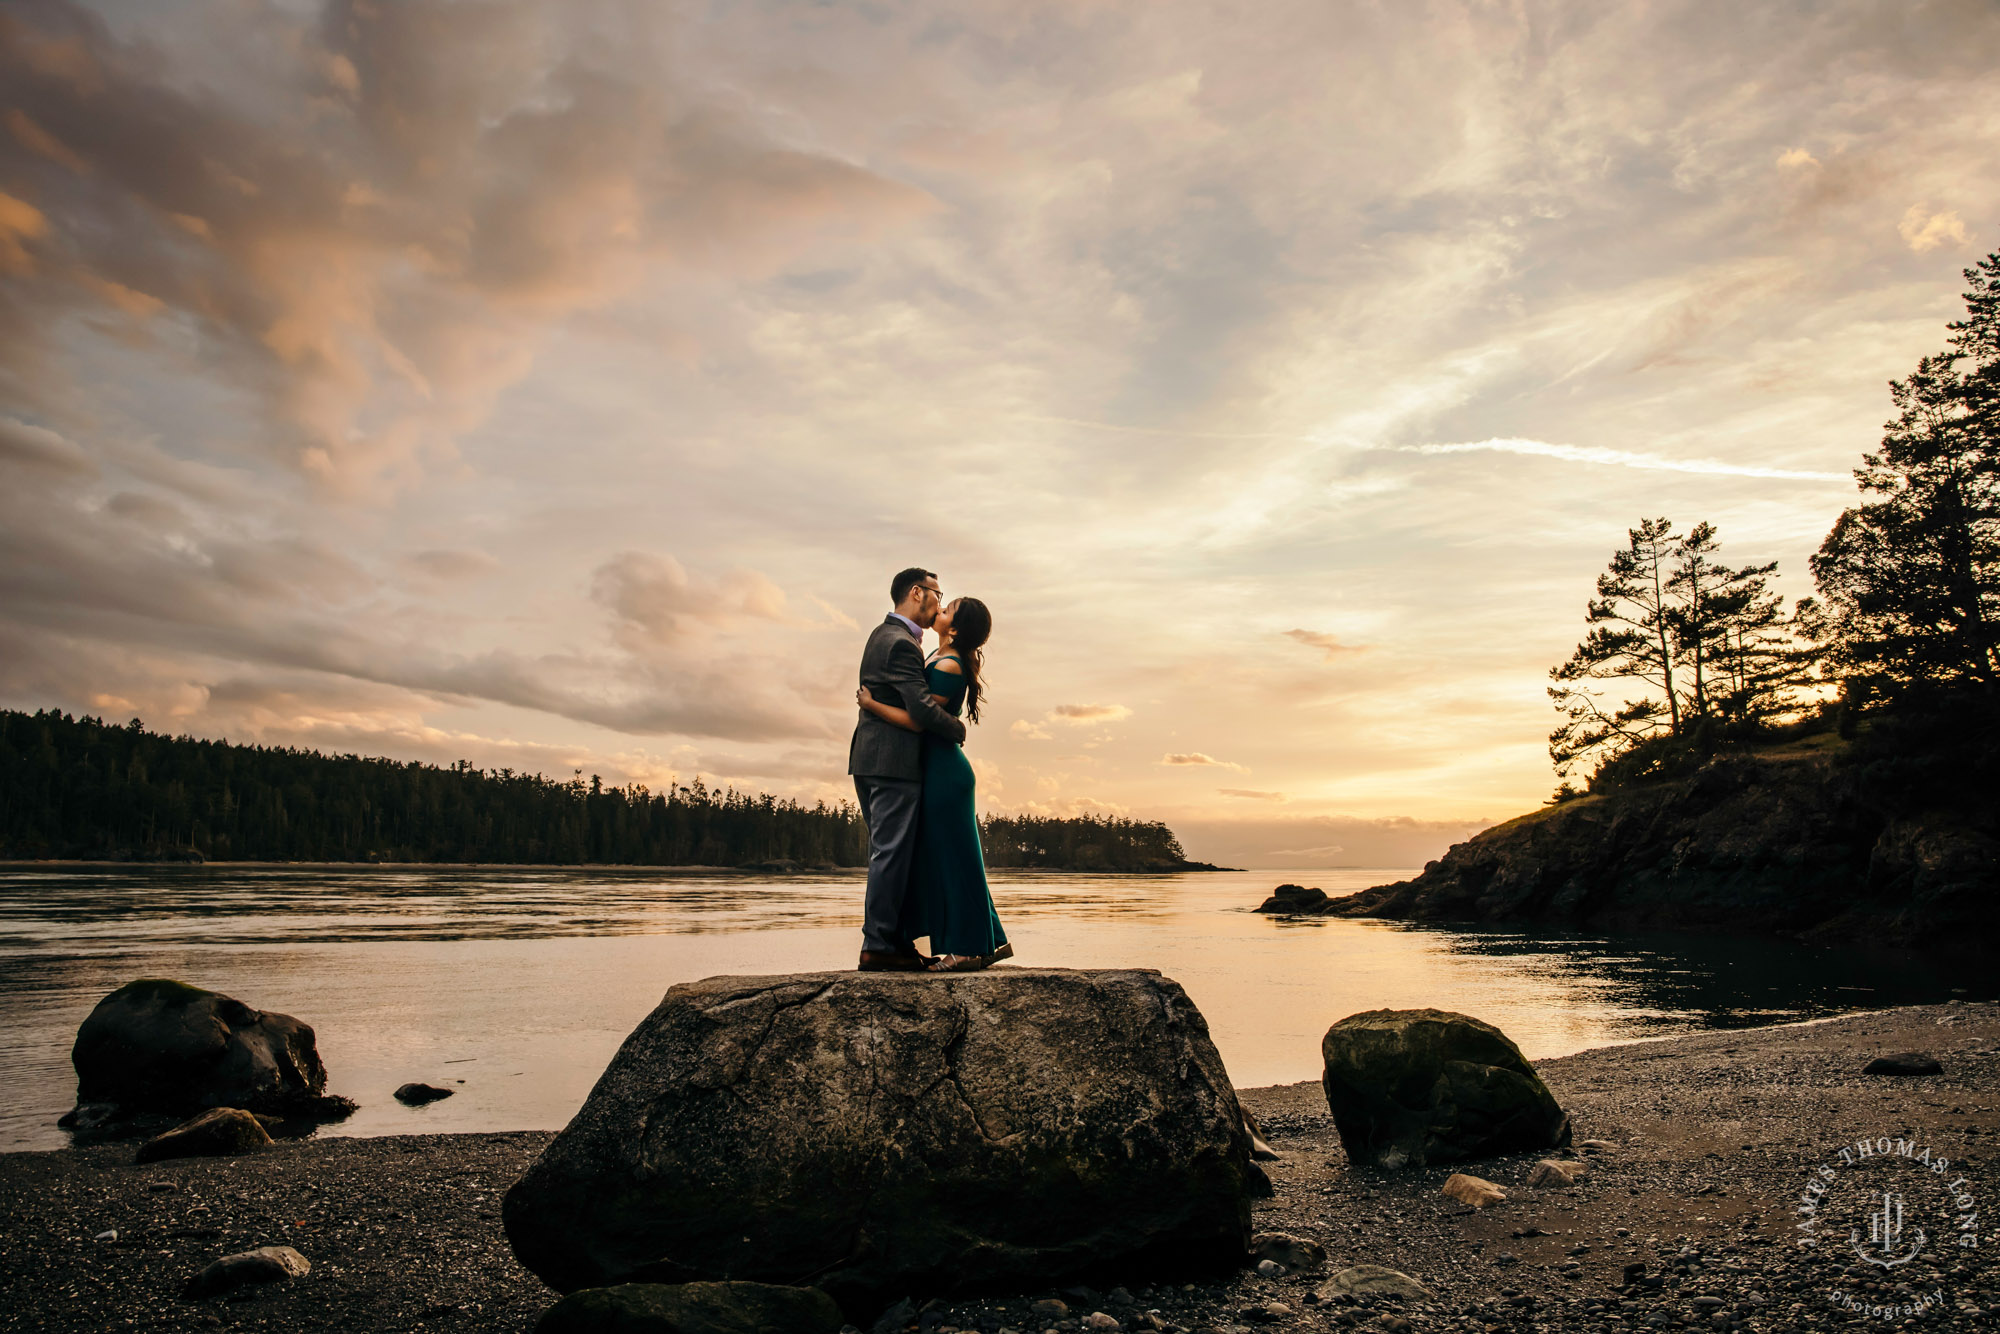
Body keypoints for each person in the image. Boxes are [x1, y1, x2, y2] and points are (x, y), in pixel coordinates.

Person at [857, 594, 1011, 973]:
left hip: (945, 774)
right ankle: (989, 941)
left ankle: (968, 949)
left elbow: (919, 720)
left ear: (954, 629)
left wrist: (871, 705)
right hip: (935, 770)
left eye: (947, 610)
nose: (939, 611)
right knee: (952, 858)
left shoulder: (949, 663)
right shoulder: (941, 657)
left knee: (956, 859)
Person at [848, 568, 968, 971]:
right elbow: (920, 711)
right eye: (937, 593)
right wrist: (957, 727)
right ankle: (879, 945)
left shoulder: (882, 635)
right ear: (918, 593)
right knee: (890, 854)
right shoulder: (900, 643)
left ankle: (894, 941)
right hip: (892, 762)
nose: (939, 600)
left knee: (892, 853)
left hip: (873, 759)